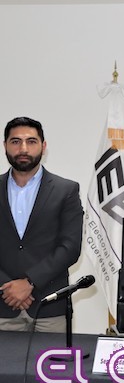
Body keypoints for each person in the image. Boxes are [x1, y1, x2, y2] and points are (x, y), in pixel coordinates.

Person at [0, 117, 83, 332]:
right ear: (5, 145)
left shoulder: (66, 190)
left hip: (50, 306)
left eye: (31, 141)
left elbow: (70, 247)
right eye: (15, 141)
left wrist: (30, 283)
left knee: (52, 357)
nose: (23, 148)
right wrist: (8, 288)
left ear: (43, 146)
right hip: (2, 305)